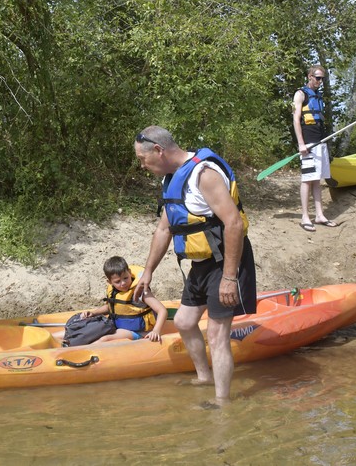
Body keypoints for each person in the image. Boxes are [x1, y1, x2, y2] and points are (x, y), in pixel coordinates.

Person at [133, 126, 257, 406]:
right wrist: (148, 271)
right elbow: (163, 230)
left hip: (227, 262)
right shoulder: (171, 179)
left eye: (142, 159)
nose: (142, 165)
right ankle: (204, 376)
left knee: (217, 334)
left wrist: (229, 278)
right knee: (184, 321)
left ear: (158, 150)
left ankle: (222, 401)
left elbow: (234, 223)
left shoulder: (204, 174)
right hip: (201, 264)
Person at [77, 256, 168, 343]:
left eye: (126, 278)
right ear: (110, 282)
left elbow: (162, 310)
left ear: (129, 272)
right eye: (117, 282)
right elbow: (111, 308)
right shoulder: (114, 292)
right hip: (119, 327)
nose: (123, 283)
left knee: (105, 339)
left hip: (140, 332)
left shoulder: (140, 291)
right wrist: (93, 313)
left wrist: (156, 331)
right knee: (89, 333)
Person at [292, 64, 338, 232]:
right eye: (318, 78)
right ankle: (305, 216)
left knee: (317, 180)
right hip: (308, 143)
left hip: (321, 141)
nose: (320, 81)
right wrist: (301, 143)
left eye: (322, 79)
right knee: (307, 180)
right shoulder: (300, 94)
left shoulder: (318, 96)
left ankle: (319, 215)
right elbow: (296, 120)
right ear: (310, 76)